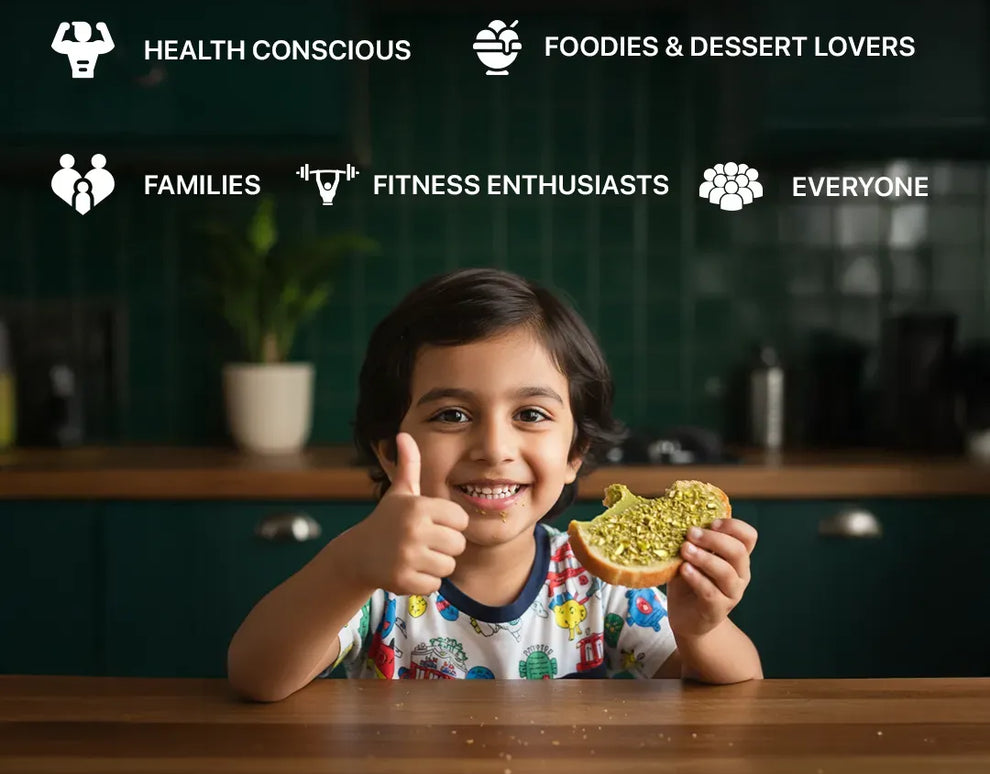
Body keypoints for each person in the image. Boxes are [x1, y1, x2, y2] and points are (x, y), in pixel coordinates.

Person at [227, 268, 761, 698]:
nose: (494, 448)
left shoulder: (601, 587)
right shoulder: (372, 582)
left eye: (530, 414)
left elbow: (731, 691)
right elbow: (256, 677)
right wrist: (347, 567)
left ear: (575, 453)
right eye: (452, 415)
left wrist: (701, 630)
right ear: (389, 451)